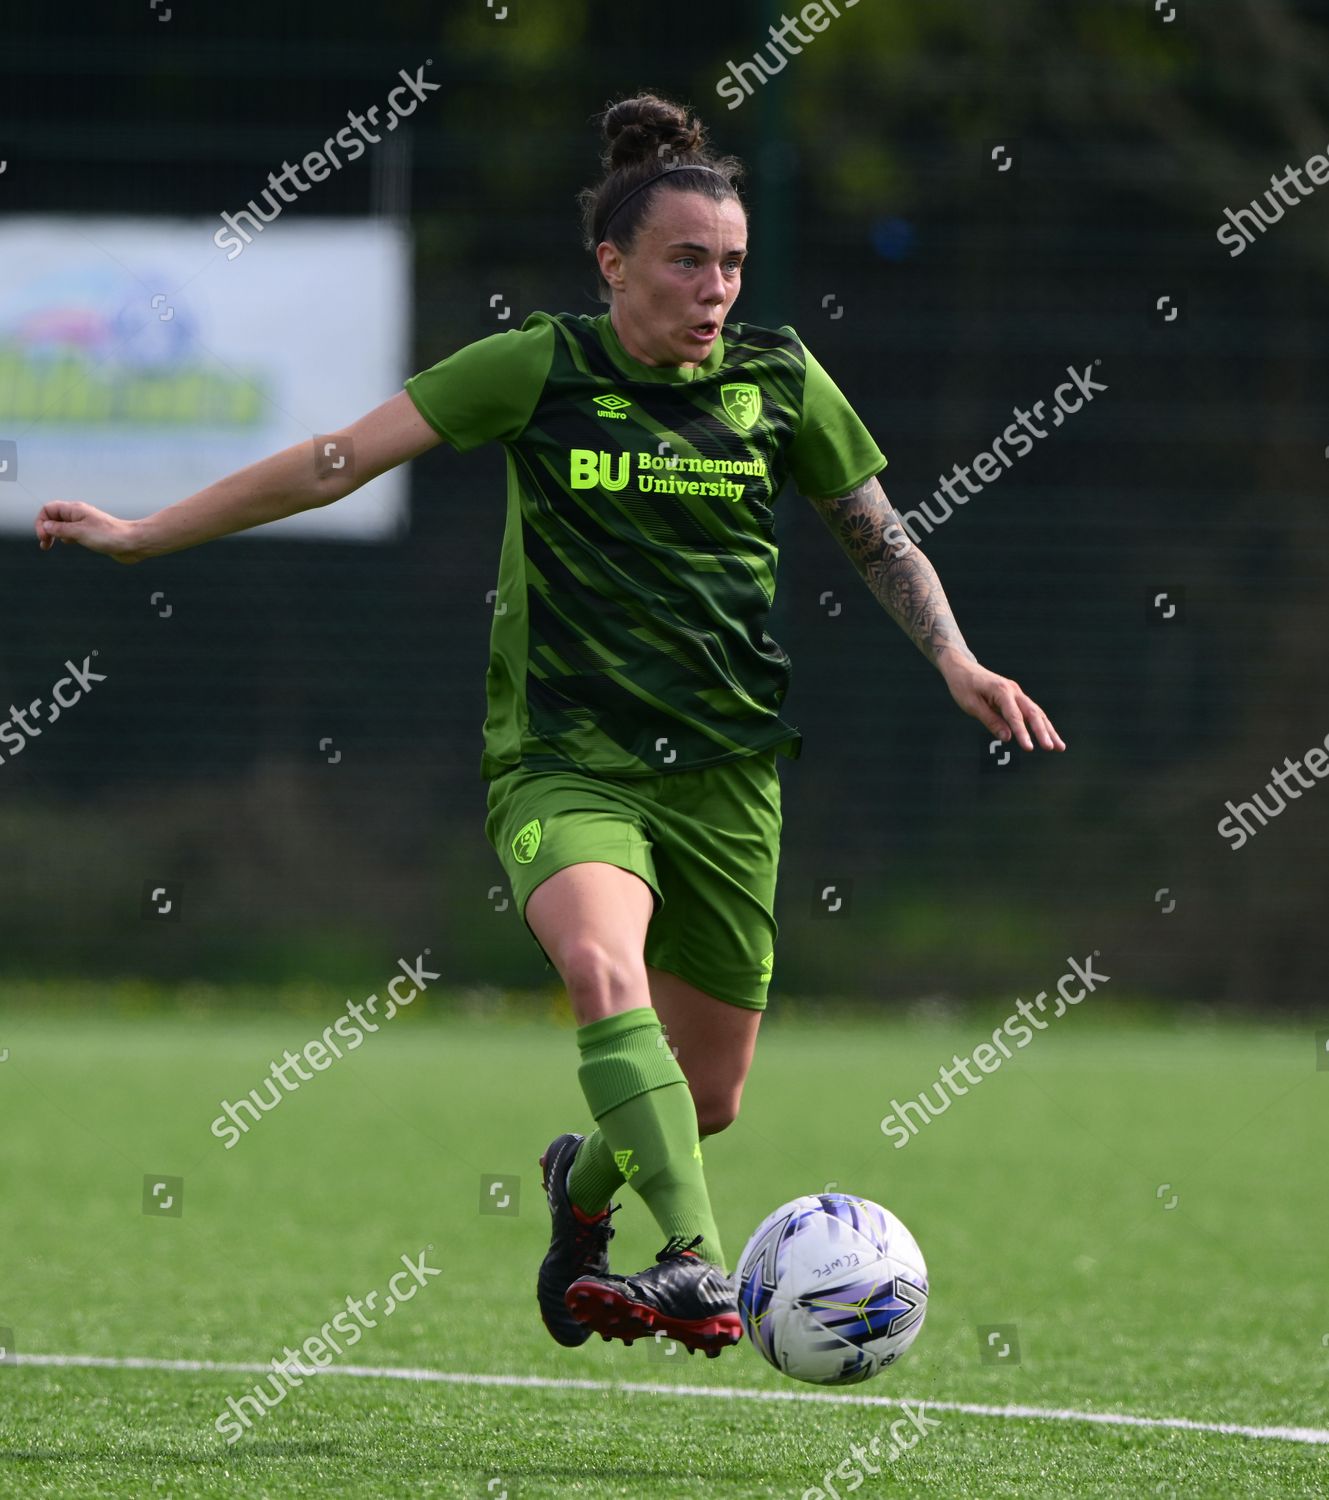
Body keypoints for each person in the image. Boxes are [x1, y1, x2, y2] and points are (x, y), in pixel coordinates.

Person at [33, 92, 1065, 1360]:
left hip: (730, 776)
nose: (716, 288)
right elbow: (332, 461)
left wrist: (955, 658)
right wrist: (144, 531)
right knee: (598, 968)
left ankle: (583, 1196)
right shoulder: (541, 366)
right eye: (688, 260)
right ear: (613, 264)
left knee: (708, 1099)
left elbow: (877, 529)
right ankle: (691, 1260)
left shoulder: (781, 379)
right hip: (567, 763)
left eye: (732, 263)